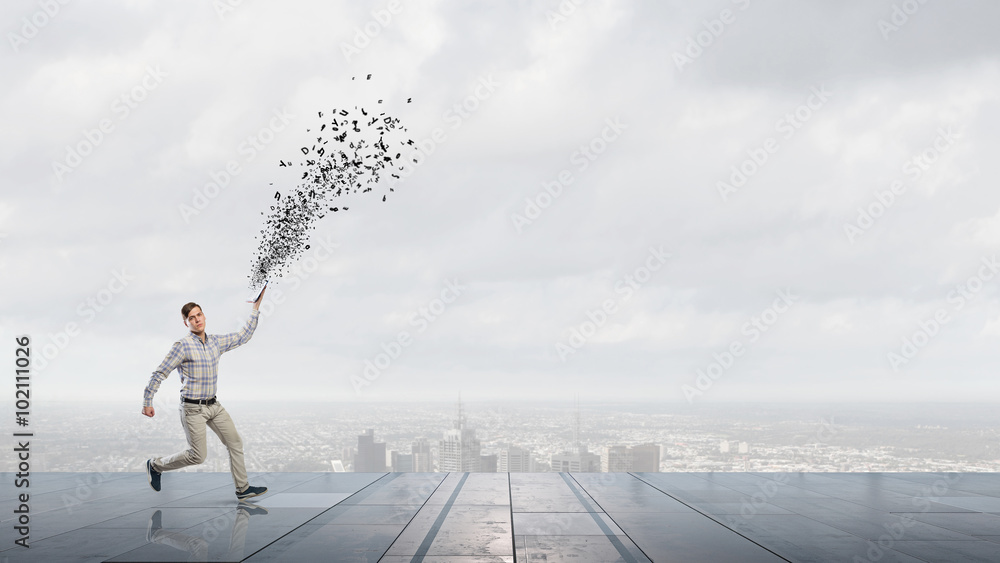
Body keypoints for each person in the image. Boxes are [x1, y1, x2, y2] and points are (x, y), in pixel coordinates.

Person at [142, 286, 268, 500]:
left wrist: (256, 306)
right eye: (191, 318)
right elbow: (160, 372)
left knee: (235, 442)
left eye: (199, 315)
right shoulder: (182, 346)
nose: (197, 320)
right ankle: (155, 465)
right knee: (197, 456)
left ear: (204, 316)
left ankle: (242, 488)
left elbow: (243, 336)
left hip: (214, 406)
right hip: (193, 409)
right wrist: (148, 400)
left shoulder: (216, 342)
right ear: (186, 323)